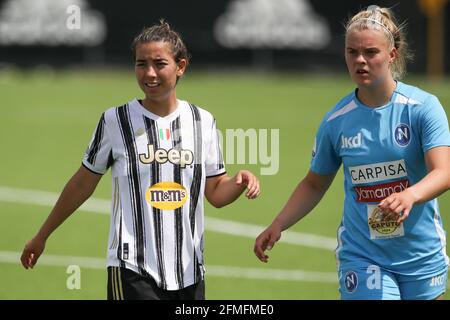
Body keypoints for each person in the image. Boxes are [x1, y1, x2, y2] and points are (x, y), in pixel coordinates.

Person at [21, 20, 260, 300]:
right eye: (141, 63)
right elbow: (82, 184)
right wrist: (42, 235)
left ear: (180, 66)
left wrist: (240, 180)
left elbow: (216, 192)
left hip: (189, 271)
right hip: (131, 268)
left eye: (160, 63)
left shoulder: (202, 122)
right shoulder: (115, 120)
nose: (149, 73)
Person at [254, 5, 450, 300]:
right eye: (352, 52)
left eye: (371, 52)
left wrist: (410, 195)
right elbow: (314, 183)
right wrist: (278, 224)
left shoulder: (423, 108)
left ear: (391, 55)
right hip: (363, 256)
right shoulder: (337, 121)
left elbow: (444, 171)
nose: (360, 60)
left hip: (420, 254)